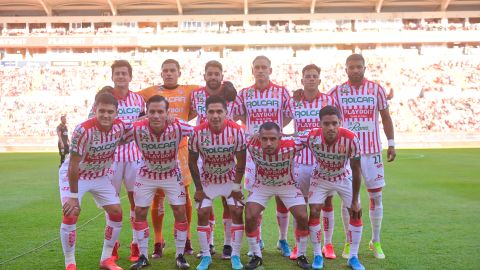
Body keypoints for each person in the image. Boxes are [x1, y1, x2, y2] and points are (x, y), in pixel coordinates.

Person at [328, 53, 396, 259]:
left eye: (359, 67)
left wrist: (391, 144)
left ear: (364, 68)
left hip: (372, 151)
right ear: (346, 69)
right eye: (351, 67)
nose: (355, 70)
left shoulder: (376, 89)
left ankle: (375, 241)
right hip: (347, 155)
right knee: (349, 199)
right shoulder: (337, 92)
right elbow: (321, 107)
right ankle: (350, 242)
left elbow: (385, 117)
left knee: (376, 196)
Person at [59, 93, 129, 270]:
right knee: (71, 212)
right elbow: (73, 164)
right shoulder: (83, 130)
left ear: (116, 113)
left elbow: (140, 126)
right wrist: (73, 197)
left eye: (110, 112)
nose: (106, 115)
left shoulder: (120, 127)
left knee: (116, 212)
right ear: (94, 110)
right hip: (76, 176)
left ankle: (106, 259)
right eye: (102, 111)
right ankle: (70, 263)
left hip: (99, 175)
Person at [137, 59, 198, 257]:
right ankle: (158, 240)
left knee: (184, 196)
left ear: (179, 72)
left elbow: (216, 91)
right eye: (165, 71)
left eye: (173, 70)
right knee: (157, 197)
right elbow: (127, 98)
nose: (169, 73)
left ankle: (187, 238)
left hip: (180, 149)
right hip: (155, 149)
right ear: (161, 73)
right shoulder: (149, 91)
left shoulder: (190, 90)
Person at [233, 55, 293, 257]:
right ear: (253, 70)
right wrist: (251, 130)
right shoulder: (244, 94)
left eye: (264, 67)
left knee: (281, 197)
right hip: (254, 153)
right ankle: (257, 239)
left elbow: (289, 114)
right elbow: (236, 115)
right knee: (254, 196)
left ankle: (282, 239)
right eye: (257, 67)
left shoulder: (282, 92)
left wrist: (274, 134)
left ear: (270, 70)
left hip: (278, 151)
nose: (260, 70)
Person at [126, 95, 192, 270]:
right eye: (152, 112)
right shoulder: (137, 127)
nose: (156, 116)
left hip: (171, 174)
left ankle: (180, 255)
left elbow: (200, 131)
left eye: (160, 112)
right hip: (146, 174)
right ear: (146, 113)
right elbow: (116, 130)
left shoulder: (177, 126)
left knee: (179, 210)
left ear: (167, 113)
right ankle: (142, 256)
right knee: (140, 211)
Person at [300, 106, 364, 270]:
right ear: (320, 123)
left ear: (340, 123)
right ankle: (317, 255)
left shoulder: (350, 138)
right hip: (320, 177)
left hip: (343, 177)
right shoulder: (311, 136)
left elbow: (356, 170)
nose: (331, 127)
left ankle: (353, 257)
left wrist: (356, 200)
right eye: (326, 124)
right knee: (314, 210)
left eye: (334, 123)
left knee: (356, 211)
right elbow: (289, 140)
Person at [286, 64, 339, 260]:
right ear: (302, 80)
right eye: (307, 76)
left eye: (314, 76)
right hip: (299, 161)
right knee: (298, 204)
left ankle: (328, 244)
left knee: (326, 202)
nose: (310, 79)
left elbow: (336, 126)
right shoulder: (294, 102)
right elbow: (282, 122)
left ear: (319, 80)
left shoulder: (328, 100)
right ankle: (297, 245)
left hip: (322, 161)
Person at [188, 96, 247, 270]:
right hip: (208, 179)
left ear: (226, 113)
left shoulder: (236, 131)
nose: (215, 115)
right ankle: (206, 256)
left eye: (219, 111)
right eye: (211, 112)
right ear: (205, 114)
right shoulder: (197, 132)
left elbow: (241, 162)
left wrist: (236, 187)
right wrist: (198, 188)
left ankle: (235, 255)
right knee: (202, 212)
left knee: (236, 210)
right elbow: (192, 162)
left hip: (229, 178)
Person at [190, 60, 240, 259]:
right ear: (204, 76)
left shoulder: (231, 94)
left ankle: (228, 244)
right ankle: (208, 244)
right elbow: (182, 111)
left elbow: (242, 114)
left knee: (229, 203)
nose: (213, 76)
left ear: (222, 75)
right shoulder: (195, 94)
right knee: (205, 201)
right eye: (209, 73)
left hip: (225, 151)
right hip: (203, 153)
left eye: (216, 73)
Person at [243, 122, 310, 270]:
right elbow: (233, 133)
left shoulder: (292, 144)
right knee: (249, 215)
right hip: (262, 185)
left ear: (280, 137)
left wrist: (291, 135)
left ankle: (301, 255)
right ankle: (256, 255)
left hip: (287, 186)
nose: (268, 143)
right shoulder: (251, 143)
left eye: (273, 139)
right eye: (264, 139)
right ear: (258, 137)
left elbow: (312, 134)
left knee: (302, 216)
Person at [108, 60, 145, 262]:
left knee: (135, 201)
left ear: (130, 77)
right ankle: (112, 245)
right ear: (112, 76)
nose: (121, 76)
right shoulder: (104, 99)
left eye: (124, 73)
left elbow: (143, 122)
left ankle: (136, 244)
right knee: (111, 202)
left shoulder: (139, 100)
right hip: (111, 158)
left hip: (133, 157)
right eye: (117, 73)